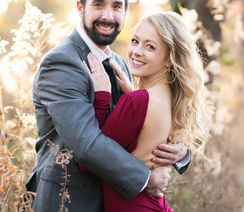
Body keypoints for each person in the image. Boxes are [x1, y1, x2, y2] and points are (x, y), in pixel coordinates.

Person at [25, 0, 191, 212]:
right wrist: (147, 178)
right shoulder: (62, 62)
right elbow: (85, 144)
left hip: (116, 200)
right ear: (81, 7)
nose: (108, 15)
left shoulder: (121, 63)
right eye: (99, 5)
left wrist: (179, 153)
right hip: (70, 201)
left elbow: (139, 130)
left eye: (117, 6)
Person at [84, 11, 210, 211]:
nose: (137, 51)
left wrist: (102, 98)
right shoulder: (173, 100)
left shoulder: (137, 101)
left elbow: (90, 159)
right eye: (135, 41)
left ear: (170, 58)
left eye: (150, 46)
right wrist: (133, 96)